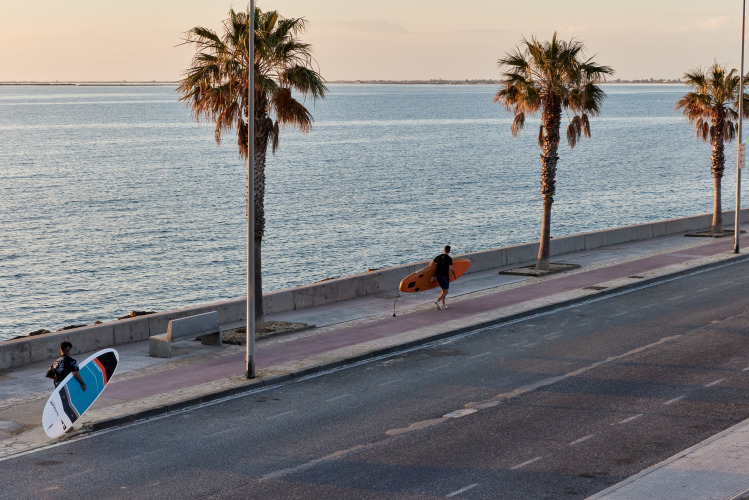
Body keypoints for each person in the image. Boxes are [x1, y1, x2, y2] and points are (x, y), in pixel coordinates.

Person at [432, 245, 456, 310]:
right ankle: (438, 300)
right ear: (449, 251)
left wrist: (433, 274)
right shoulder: (449, 259)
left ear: (444, 250)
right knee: (446, 291)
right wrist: (454, 275)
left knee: (444, 290)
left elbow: (431, 263)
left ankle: (443, 305)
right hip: (444, 276)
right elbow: (451, 268)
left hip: (438, 275)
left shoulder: (438, 257)